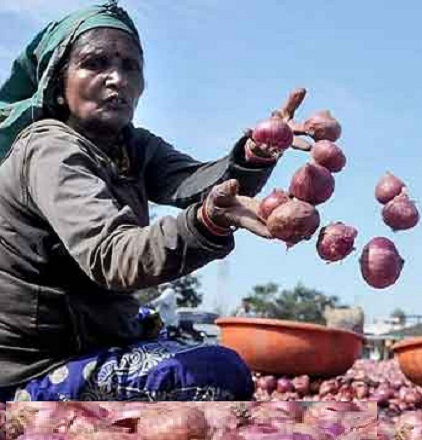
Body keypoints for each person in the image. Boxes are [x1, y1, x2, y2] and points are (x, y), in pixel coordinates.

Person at [0, 1, 307, 401]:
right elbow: (114, 255)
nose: (118, 79)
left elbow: (199, 183)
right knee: (217, 371)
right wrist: (207, 223)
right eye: (96, 64)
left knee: (183, 340)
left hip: (94, 339)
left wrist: (257, 151)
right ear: (59, 82)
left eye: (131, 67)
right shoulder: (51, 150)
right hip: (38, 366)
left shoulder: (131, 146)